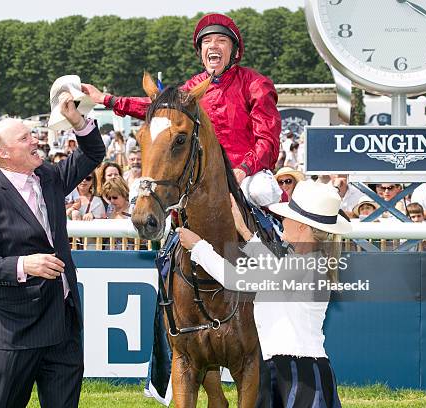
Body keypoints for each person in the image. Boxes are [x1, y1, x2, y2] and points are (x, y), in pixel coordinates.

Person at [0, 92, 105, 408]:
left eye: (32, 134)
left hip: (62, 322)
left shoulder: (49, 176)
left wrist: (77, 120)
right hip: (15, 329)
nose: (35, 140)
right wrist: (24, 265)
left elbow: (94, 151)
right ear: (3, 152)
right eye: (25, 137)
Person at [176, 180, 350, 408]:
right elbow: (272, 266)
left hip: (295, 375)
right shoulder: (308, 263)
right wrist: (245, 231)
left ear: (302, 227)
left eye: (287, 216)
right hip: (294, 371)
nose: (282, 220)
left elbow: (234, 279)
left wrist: (198, 246)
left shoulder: (300, 267)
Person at [82, 13, 281, 189]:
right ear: (201, 53)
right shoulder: (193, 87)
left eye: (221, 40)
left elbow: (268, 141)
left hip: (248, 174)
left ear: (235, 52)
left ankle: (278, 231)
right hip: (203, 175)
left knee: (262, 191)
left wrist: (244, 169)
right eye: (207, 41)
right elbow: (157, 107)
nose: (213, 45)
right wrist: (106, 99)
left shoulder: (256, 85)